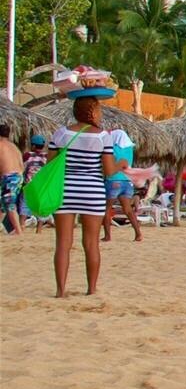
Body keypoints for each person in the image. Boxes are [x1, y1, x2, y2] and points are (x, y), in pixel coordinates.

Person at [49, 79, 122, 297]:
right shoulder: (103, 137)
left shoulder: (60, 134)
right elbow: (109, 171)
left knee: (63, 243)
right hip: (92, 192)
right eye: (98, 109)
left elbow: (50, 165)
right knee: (90, 243)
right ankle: (91, 289)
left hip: (65, 190)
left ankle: (60, 291)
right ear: (92, 112)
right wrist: (122, 165)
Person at [99, 128, 141, 242]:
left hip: (113, 180)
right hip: (127, 182)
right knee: (128, 209)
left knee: (106, 209)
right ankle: (138, 234)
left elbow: (108, 163)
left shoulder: (113, 148)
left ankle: (107, 236)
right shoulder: (130, 149)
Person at [0, 125, 21, 235]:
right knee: (3, 205)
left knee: (10, 205)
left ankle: (19, 232)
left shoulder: (0, 145)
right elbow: (21, 164)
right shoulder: (14, 147)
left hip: (9, 177)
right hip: (18, 177)